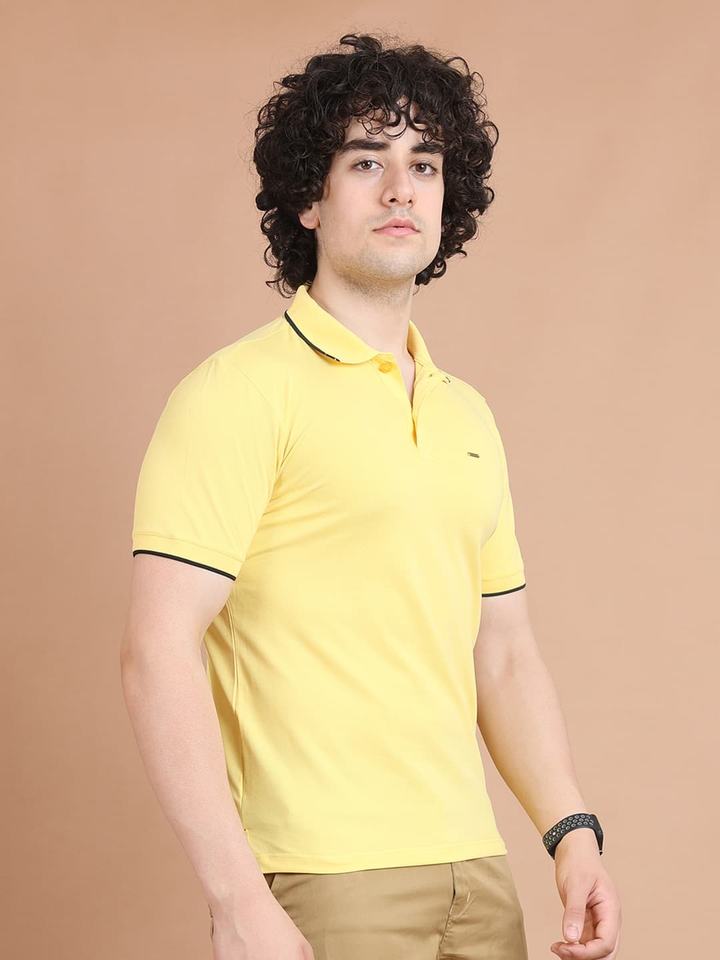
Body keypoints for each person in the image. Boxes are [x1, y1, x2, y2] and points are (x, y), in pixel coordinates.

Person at [120, 32, 622, 960]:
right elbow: (157, 650)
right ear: (308, 199)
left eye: (424, 164)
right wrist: (236, 900)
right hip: (323, 879)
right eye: (366, 161)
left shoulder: (467, 413)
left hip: (477, 875)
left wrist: (571, 834)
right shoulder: (237, 393)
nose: (401, 189)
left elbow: (503, 651)